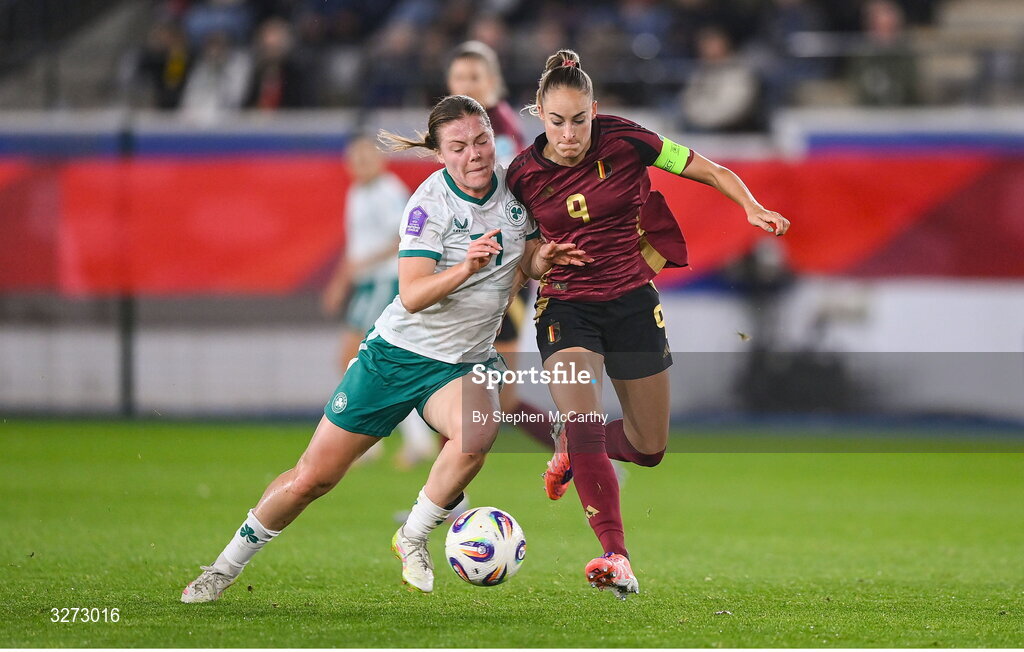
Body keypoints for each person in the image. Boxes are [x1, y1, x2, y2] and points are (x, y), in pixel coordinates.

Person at [181, 94, 588, 602]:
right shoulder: (427, 204)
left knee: (477, 434)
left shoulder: (517, 189)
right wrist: (465, 267)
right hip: (396, 357)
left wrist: (542, 257)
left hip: (461, 362)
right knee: (313, 478)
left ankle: (413, 536)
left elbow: (523, 255)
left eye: (481, 139)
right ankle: (222, 568)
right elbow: (413, 294)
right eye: (458, 146)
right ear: (440, 154)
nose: (475, 154)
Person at [506, 49, 790, 599]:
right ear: (539, 113)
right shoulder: (521, 176)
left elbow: (708, 168)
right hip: (566, 308)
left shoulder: (628, 140)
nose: (569, 134)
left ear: (596, 109)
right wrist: (537, 261)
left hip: (634, 302)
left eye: (580, 119)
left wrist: (749, 207)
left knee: (650, 445)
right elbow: (517, 258)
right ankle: (616, 555)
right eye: (557, 121)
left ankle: (573, 448)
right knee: (583, 415)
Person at [446, 41, 554, 451]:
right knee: (493, 397)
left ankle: (447, 498)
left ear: (493, 82)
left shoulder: (497, 132)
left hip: (498, 272)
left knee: (462, 386)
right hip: (482, 268)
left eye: (474, 77)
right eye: (458, 78)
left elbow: (503, 199)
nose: (465, 85)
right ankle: (586, 456)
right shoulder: (468, 128)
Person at [320, 134, 434, 468]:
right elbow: (356, 246)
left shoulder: (388, 191)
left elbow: (403, 237)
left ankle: (366, 438)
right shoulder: (357, 193)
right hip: (367, 283)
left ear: (379, 160)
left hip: (386, 279)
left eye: (365, 159)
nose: (360, 166)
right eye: (354, 161)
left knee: (361, 357)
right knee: (359, 361)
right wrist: (341, 281)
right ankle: (406, 438)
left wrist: (364, 263)